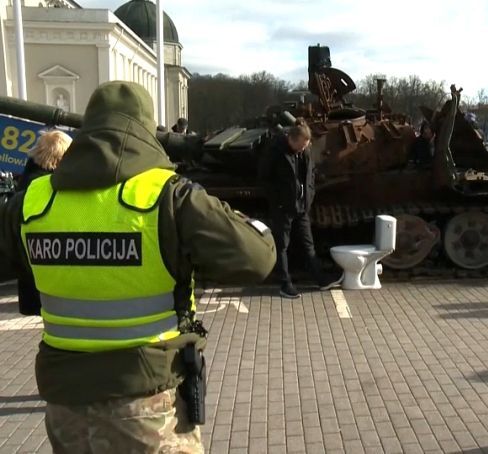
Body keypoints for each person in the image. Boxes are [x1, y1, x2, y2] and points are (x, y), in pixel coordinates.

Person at [0, 81, 277, 452]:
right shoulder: (170, 197)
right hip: (148, 403)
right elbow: (257, 259)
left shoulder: (31, 203)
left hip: (65, 405)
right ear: (147, 130)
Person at [260, 118, 341, 299]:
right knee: (282, 245)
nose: (304, 148)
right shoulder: (276, 151)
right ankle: (284, 283)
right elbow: (265, 177)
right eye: (301, 145)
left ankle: (320, 278)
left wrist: (309, 195)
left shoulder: (304, 152)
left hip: (302, 205)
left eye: (306, 145)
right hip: (283, 206)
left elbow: (310, 173)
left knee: (308, 244)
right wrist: (278, 200)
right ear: (292, 139)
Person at [16, 130, 73, 316]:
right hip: (46, 279)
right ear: (59, 157)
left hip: (31, 276)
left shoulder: (27, 180)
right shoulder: (46, 186)